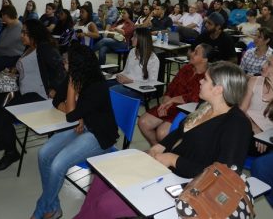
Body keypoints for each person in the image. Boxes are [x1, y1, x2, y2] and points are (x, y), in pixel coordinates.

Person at [75, 61, 252, 219]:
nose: (200, 81)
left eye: (205, 80)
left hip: (188, 183)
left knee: (106, 206)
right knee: (102, 178)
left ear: (218, 89)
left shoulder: (237, 125)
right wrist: (160, 146)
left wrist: (172, 159)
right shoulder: (205, 106)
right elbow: (181, 131)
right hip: (166, 167)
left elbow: (224, 176)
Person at [31, 43, 119, 219]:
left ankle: (43, 207)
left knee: (58, 164)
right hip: (84, 126)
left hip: (100, 135)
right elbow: (56, 100)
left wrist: (75, 108)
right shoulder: (76, 75)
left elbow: (70, 115)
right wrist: (80, 116)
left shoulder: (96, 84)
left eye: (67, 62)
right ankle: (53, 205)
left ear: (77, 65)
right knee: (44, 154)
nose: (63, 65)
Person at [0, 19, 66, 171]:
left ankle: (11, 152)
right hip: (24, 90)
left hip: (39, 95)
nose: (21, 35)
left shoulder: (44, 48)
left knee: (2, 113)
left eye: (25, 33)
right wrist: (12, 71)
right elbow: (26, 68)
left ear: (35, 34)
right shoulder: (29, 47)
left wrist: (54, 89)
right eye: (22, 32)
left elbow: (61, 70)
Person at [138, 43, 214, 144]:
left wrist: (172, 100)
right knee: (143, 122)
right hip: (171, 105)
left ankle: (164, 153)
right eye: (193, 51)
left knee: (162, 133)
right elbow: (171, 87)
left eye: (196, 53)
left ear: (205, 59)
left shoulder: (208, 76)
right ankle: (157, 150)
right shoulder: (186, 68)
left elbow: (194, 97)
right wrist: (165, 104)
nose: (191, 54)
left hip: (185, 111)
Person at [109, 27, 159, 96]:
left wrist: (131, 81)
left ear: (142, 40)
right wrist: (117, 75)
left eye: (134, 37)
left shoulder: (153, 59)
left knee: (110, 92)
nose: (132, 39)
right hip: (126, 83)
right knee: (101, 85)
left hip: (137, 89)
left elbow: (152, 84)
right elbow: (125, 71)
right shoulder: (132, 51)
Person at [241, 55, 273, 156]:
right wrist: (256, 129)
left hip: (267, 134)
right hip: (247, 123)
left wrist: (263, 135)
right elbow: (242, 109)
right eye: (265, 61)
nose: (263, 65)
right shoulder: (254, 81)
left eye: (269, 64)